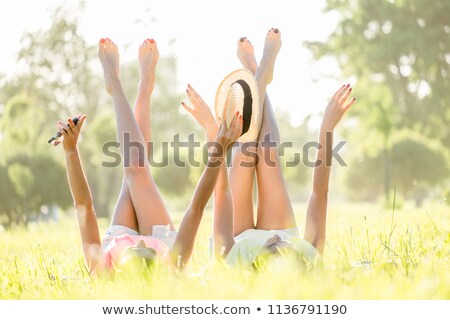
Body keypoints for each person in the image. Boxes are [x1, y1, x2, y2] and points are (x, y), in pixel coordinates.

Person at [55, 38, 243, 275]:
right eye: (147, 250)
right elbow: (196, 206)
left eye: (136, 250)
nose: (141, 241)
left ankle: (130, 85)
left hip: (118, 240)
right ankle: (122, 84)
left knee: (133, 173)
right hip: (162, 238)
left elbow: (84, 206)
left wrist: (71, 151)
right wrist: (219, 149)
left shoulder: (104, 270)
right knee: (135, 170)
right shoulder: (173, 263)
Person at [184, 28, 356, 268]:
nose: (274, 237)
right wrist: (327, 127)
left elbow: (220, 193)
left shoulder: (231, 261)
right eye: (282, 243)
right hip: (273, 242)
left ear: (258, 260)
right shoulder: (306, 257)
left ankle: (260, 72)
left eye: (273, 244)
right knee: (266, 151)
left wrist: (215, 138)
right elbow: (320, 193)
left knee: (245, 152)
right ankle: (259, 74)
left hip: (236, 239)